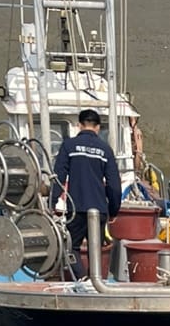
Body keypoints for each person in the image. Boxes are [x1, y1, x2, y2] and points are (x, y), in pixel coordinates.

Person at [51, 108, 122, 265]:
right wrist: (113, 210)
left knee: (71, 249)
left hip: (76, 209)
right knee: (96, 250)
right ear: (97, 127)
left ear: (79, 125)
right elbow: (114, 186)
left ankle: (81, 279)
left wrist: (52, 202)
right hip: (99, 209)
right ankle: (94, 283)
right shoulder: (105, 150)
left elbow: (58, 177)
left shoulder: (69, 146)